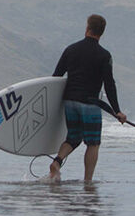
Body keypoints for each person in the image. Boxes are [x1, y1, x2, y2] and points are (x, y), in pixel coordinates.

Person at [49, 14, 127, 182]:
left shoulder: (71, 49)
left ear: (87, 28)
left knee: (73, 137)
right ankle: (88, 182)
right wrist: (117, 110)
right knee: (93, 143)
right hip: (90, 104)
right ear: (102, 33)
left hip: (70, 102)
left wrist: (52, 105)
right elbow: (109, 84)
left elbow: (56, 77)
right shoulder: (104, 55)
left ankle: (57, 161)